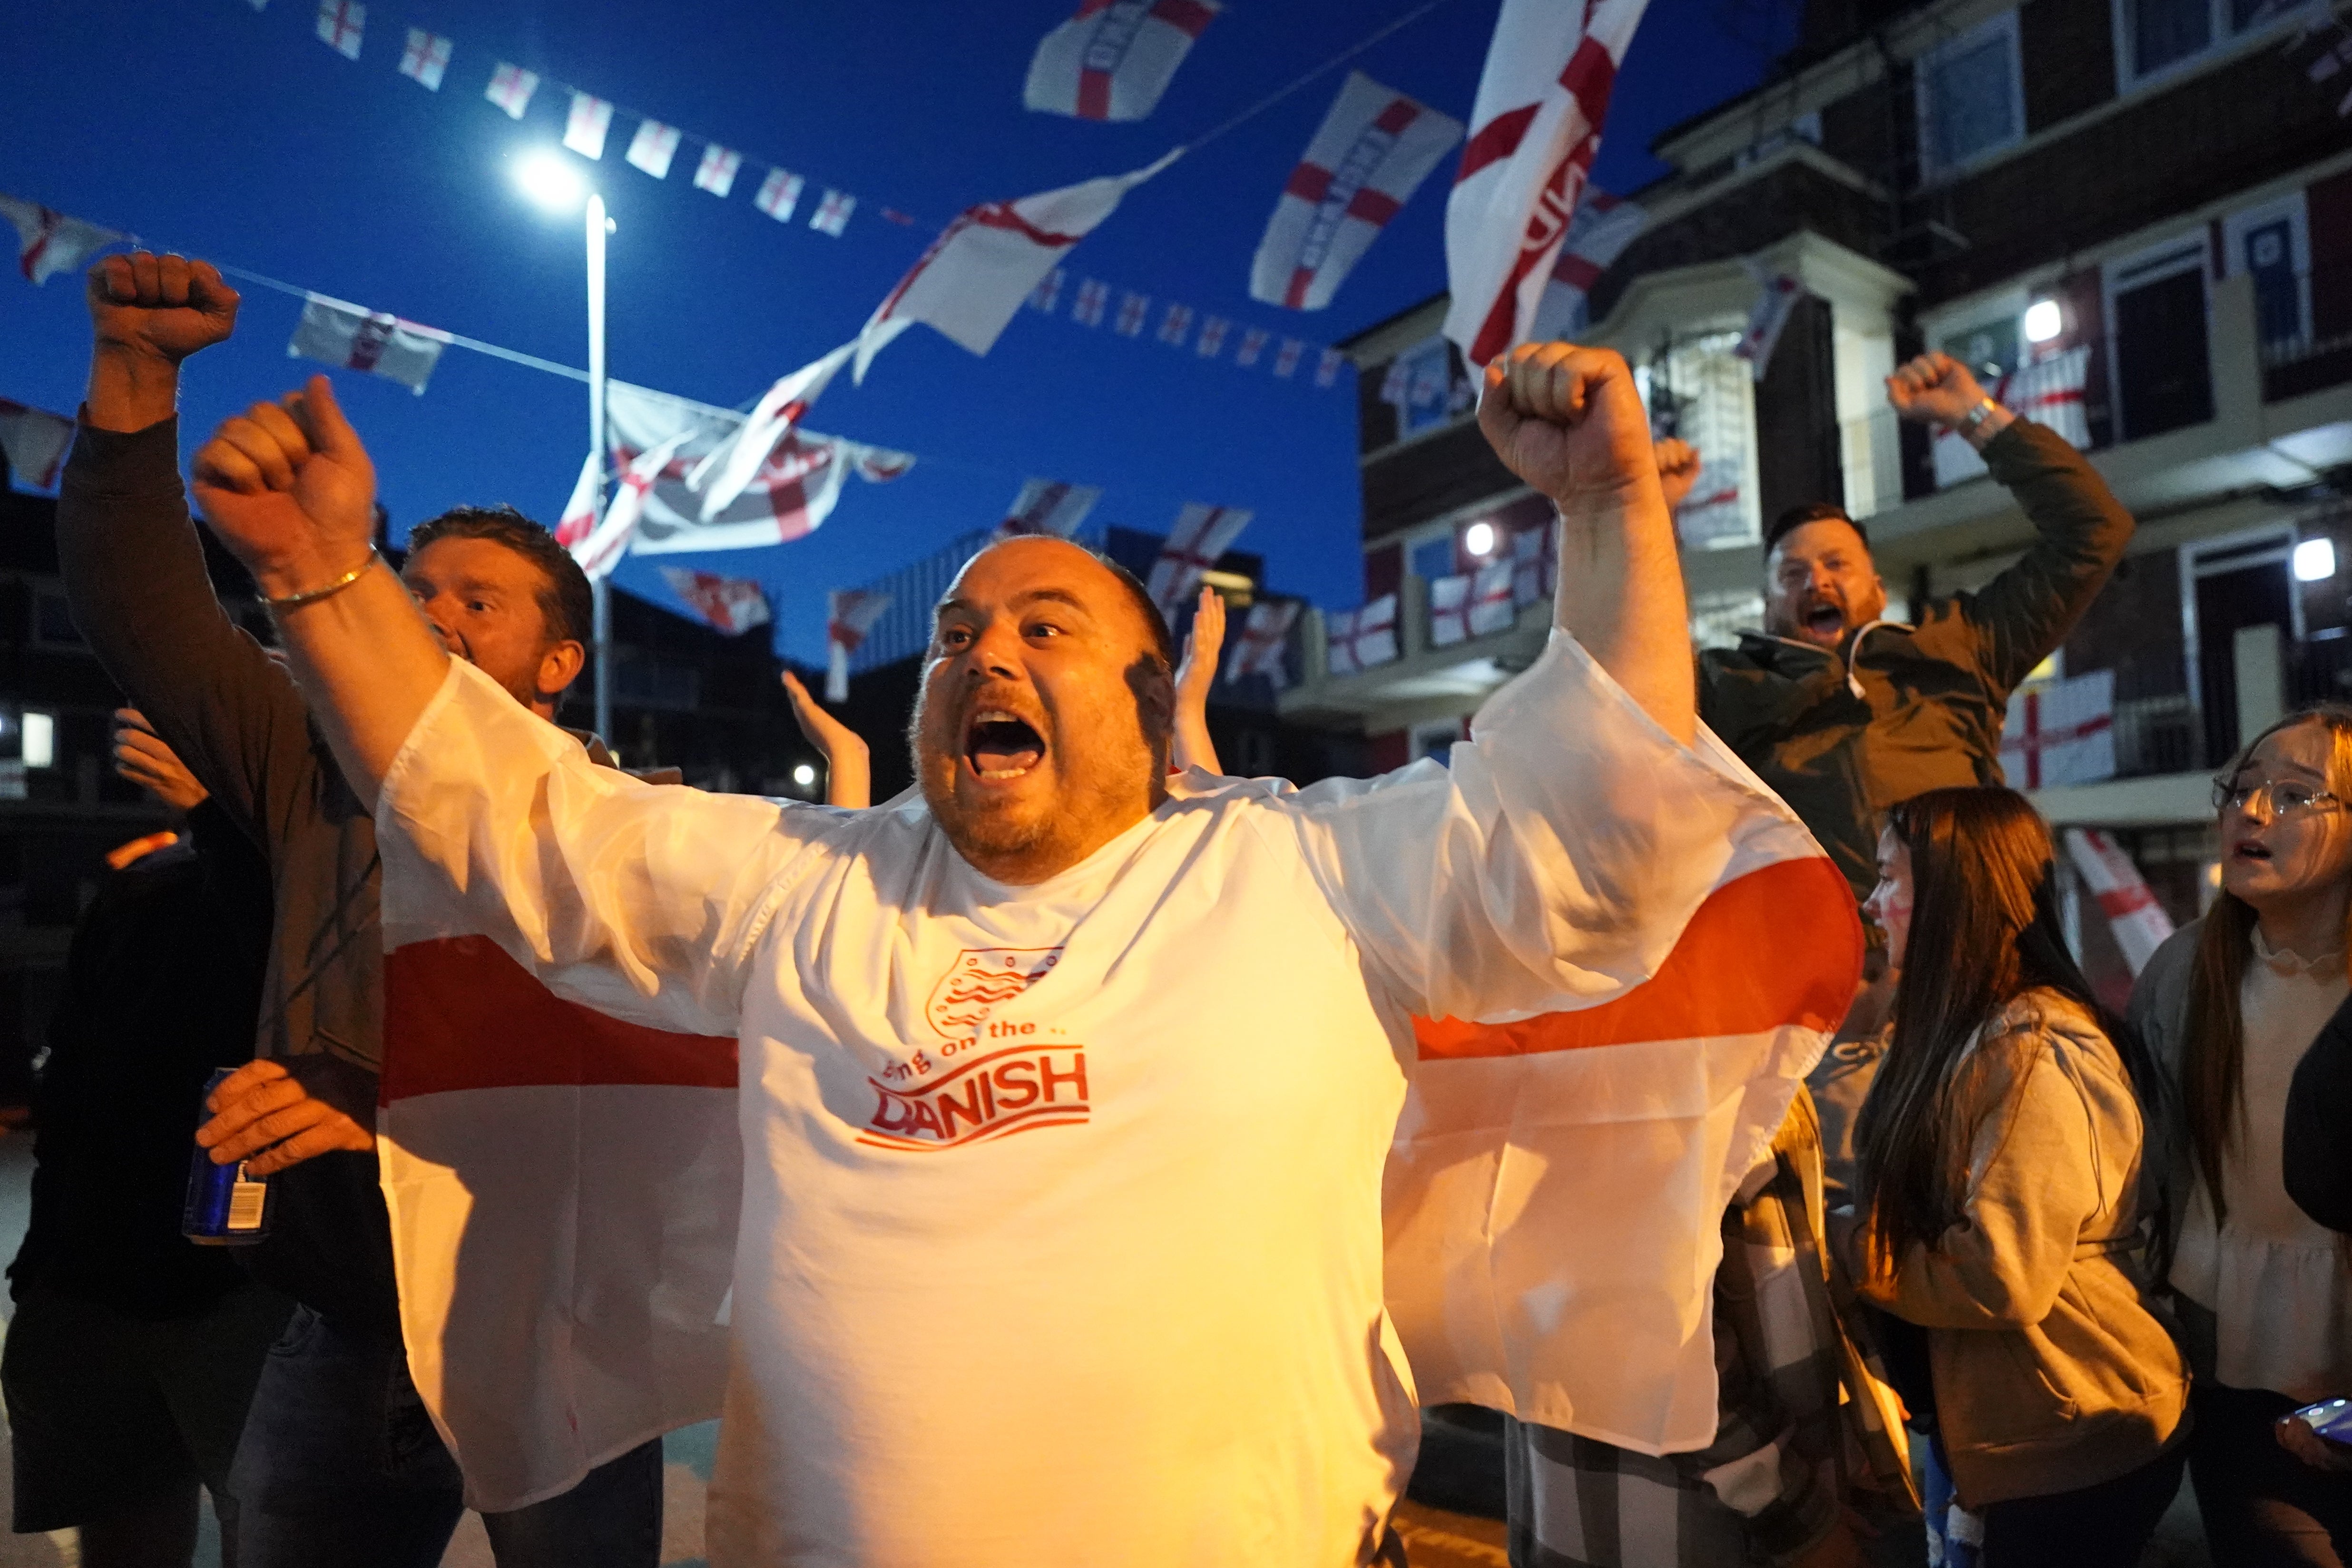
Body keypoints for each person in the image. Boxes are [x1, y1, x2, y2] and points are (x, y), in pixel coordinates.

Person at [181, 318, 1831, 1564]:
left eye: (1047, 628)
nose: (989, 655)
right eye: (960, 633)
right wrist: (327, 577)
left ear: (1140, 697)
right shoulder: (811, 882)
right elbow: (517, 823)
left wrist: (1608, 505)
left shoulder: (1301, 869)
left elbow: (1587, 831)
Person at [57, 251, 663, 1568]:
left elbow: (647, 1074)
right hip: (337, 1324)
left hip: (557, 1337)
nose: (429, 615)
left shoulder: (624, 828)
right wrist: (135, 377)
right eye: (416, 584)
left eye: (476, 602)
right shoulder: (310, 761)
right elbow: (142, 614)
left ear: (559, 667)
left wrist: (378, 1096)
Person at [1851, 787, 2187, 1568]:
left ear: (1955, 895)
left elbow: (2001, 1273)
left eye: (1891, 879)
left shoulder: (2031, 1050)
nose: (1874, 903)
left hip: (2069, 1432)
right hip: (2001, 1428)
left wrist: (1851, 1252)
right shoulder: (1958, 1037)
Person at [2, 714, 291, 1568]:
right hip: (93, 1275)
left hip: (246, 1285)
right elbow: (76, 1084)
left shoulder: (323, 876)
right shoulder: (142, 884)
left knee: (276, 1529)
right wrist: (44, 1263)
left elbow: (289, 941)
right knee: (124, 1525)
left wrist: (218, 808)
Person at [2132, 705, 2352, 1565]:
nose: (2253, 813)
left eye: (2295, 796)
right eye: (2244, 789)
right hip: (2229, 1369)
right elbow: (2145, 1173)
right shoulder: (2184, 972)